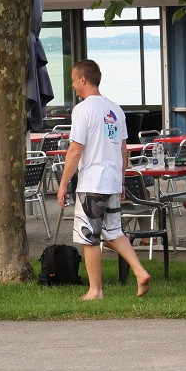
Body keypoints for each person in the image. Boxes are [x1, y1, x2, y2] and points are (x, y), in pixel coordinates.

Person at [57, 59, 151, 300]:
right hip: (110, 180)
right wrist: (120, 181)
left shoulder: (83, 110)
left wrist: (64, 183)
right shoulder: (115, 109)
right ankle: (140, 272)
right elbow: (123, 151)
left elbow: (75, 150)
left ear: (83, 79)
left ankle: (95, 290)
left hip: (92, 182)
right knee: (113, 231)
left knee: (89, 237)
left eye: (73, 80)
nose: (73, 86)